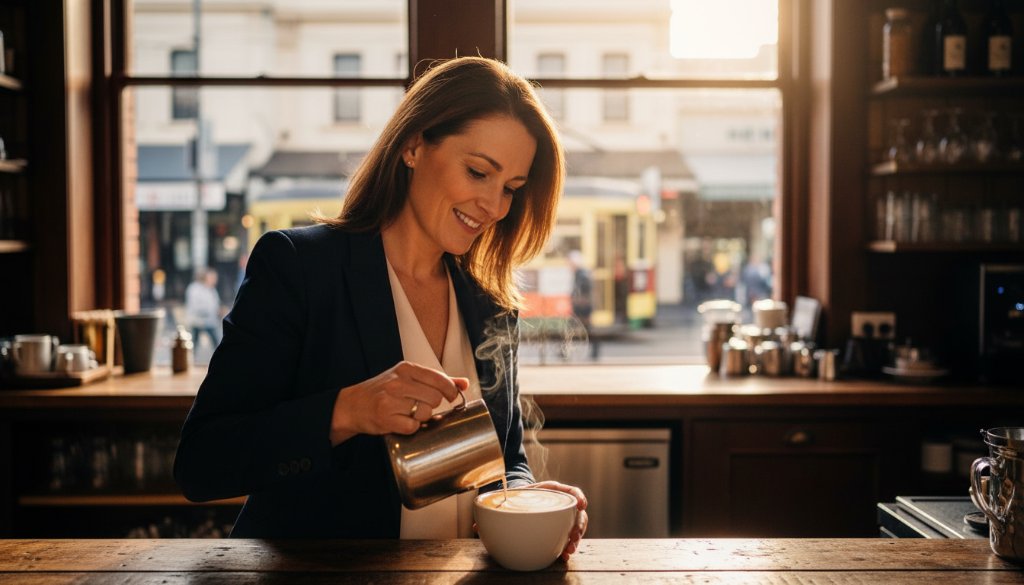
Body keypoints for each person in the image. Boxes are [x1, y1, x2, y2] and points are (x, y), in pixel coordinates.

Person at [173, 57, 588, 556]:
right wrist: (347, 411)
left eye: (511, 190)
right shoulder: (300, 267)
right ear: (413, 145)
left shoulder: (489, 300)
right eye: (478, 172)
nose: (495, 207)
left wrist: (526, 501)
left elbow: (504, 458)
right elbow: (201, 463)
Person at [183, 268, 222, 347]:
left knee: (217, 342)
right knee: (193, 343)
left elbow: (215, 303)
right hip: (197, 320)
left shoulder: (211, 289)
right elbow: (194, 306)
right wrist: (208, 311)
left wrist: (218, 310)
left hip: (210, 321)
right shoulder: (194, 288)